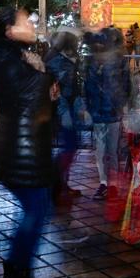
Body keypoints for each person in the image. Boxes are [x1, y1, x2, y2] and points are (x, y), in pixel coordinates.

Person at [0, 8, 57, 278]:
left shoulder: (9, 56)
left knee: (37, 209)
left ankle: (20, 272)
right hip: (20, 147)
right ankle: (15, 276)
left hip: (23, 144)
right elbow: (34, 93)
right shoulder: (7, 60)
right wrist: (49, 79)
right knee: (35, 211)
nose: (32, 24)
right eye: (26, 21)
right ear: (10, 31)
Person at [85, 27, 130, 201]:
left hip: (108, 111)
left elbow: (125, 86)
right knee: (106, 149)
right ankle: (106, 183)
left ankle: (109, 183)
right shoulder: (97, 61)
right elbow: (89, 86)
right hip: (104, 111)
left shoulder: (115, 61)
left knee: (108, 148)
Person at [46, 28, 83, 205]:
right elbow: (57, 88)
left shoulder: (68, 59)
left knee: (70, 147)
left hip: (70, 108)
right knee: (67, 147)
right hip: (62, 110)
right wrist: (64, 111)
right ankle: (57, 184)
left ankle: (62, 184)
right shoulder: (56, 60)